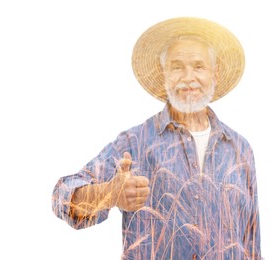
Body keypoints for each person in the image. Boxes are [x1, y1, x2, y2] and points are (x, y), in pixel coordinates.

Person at [51, 17, 261, 259]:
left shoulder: (240, 150)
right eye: (177, 66)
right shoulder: (134, 143)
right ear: (164, 75)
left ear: (215, 74)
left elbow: (252, 245)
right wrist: (109, 193)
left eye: (199, 66)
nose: (188, 76)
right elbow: (61, 197)